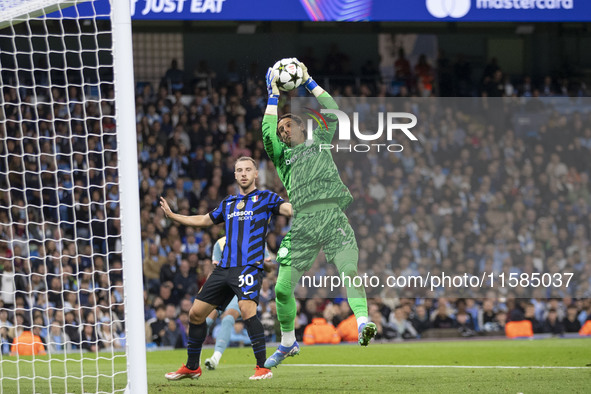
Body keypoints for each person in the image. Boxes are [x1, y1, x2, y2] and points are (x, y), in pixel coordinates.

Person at [262, 60, 376, 369]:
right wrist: (273, 95)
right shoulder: (282, 159)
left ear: (301, 126)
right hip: (304, 223)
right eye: (281, 129)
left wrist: (309, 81)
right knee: (283, 289)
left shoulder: (320, 141)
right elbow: (266, 132)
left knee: (349, 269)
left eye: (288, 126)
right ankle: (287, 342)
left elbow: (333, 109)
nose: (283, 132)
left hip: (333, 216)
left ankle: (364, 321)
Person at [162, 156, 292, 381]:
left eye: (248, 170)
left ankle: (262, 368)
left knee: (246, 309)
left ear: (255, 174)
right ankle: (193, 367)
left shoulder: (265, 198)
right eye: (239, 170)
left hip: (249, 266)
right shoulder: (228, 203)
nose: (243, 173)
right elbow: (204, 220)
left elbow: (287, 209)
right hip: (224, 268)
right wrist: (174, 216)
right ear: (234, 175)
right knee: (195, 314)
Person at [204, 236, 273, 371]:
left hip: (245, 286)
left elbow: (269, 267)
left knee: (228, 317)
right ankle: (195, 358)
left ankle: (215, 358)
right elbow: (216, 270)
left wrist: (260, 261)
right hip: (225, 286)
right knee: (205, 320)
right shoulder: (220, 242)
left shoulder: (257, 239)